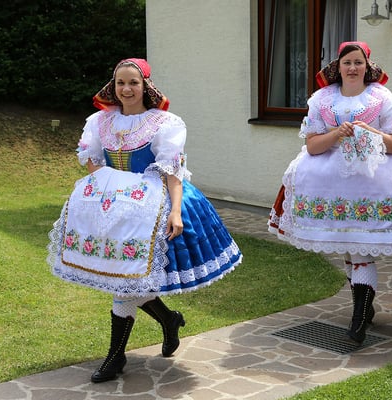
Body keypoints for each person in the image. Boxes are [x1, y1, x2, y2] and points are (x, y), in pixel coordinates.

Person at [47, 58, 242, 382]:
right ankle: (168, 320)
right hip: (115, 209)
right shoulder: (100, 121)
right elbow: (94, 163)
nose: (126, 89)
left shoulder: (164, 122)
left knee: (126, 281)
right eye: (120, 83)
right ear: (113, 86)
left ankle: (116, 357)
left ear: (146, 86)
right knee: (127, 278)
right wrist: (105, 198)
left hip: (151, 207)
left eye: (133, 83)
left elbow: (172, 171)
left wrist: (175, 212)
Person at [268, 41, 392, 345]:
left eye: (358, 62)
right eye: (347, 63)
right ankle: (364, 307)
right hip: (330, 182)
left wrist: (372, 133)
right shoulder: (322, 99)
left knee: (360, 249)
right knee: (349, 245)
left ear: (367, 67)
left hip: (372, 181)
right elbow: (313, 146)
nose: (353, 68)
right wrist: (336, 133)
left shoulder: (382, 98)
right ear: (338, 67)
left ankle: (358, 320)